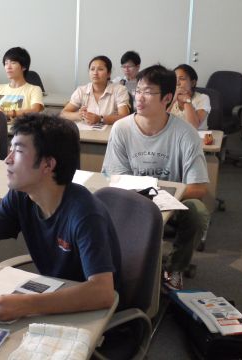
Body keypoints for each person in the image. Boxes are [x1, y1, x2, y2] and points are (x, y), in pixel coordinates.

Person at [0, 114, 119, 322]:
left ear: (48, 165)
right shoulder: (21, 196)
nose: (7, 159)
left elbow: (102, 292)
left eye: (18, 151)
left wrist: (25, 305)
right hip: (53, 302)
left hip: (92, 316)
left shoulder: (84, 213)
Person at [102, 64, 210, 291]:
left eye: (149, 92)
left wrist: (159, 195)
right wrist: (144, 197)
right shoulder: (121, 129)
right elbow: (116, 178)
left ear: (167, 98)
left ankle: (175, 267)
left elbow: (199, 188)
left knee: (197, 211)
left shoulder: (185, 134)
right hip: (131, 200)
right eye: (138, 90)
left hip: (174, 202)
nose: (139, 98)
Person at [60, 55, 130, 125]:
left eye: (100, 69)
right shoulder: (81, 90)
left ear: (109, 73)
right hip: (86, 133)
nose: (95, 73)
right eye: (92, 69)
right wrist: (79, 115)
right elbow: (63, 114)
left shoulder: (120, 90)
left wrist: (100, 119)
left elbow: (124, 117)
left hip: (109, 133)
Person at [0, 47, 44, 121]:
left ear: (24, 67)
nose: (8, 67)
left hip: (21, 130)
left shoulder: (34, 89)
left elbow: (35, 110)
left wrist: (8, 113)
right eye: (6, 63)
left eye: (13, 63)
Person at [168, 64, 211, 130]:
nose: (177, 83)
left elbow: (193, 126)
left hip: (197, 137)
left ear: (193, 83)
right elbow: (160, 124)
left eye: (182, 79)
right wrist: (173, 100)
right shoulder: (169, 97)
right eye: (175, 79)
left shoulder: (203, 98)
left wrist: (187, 100)